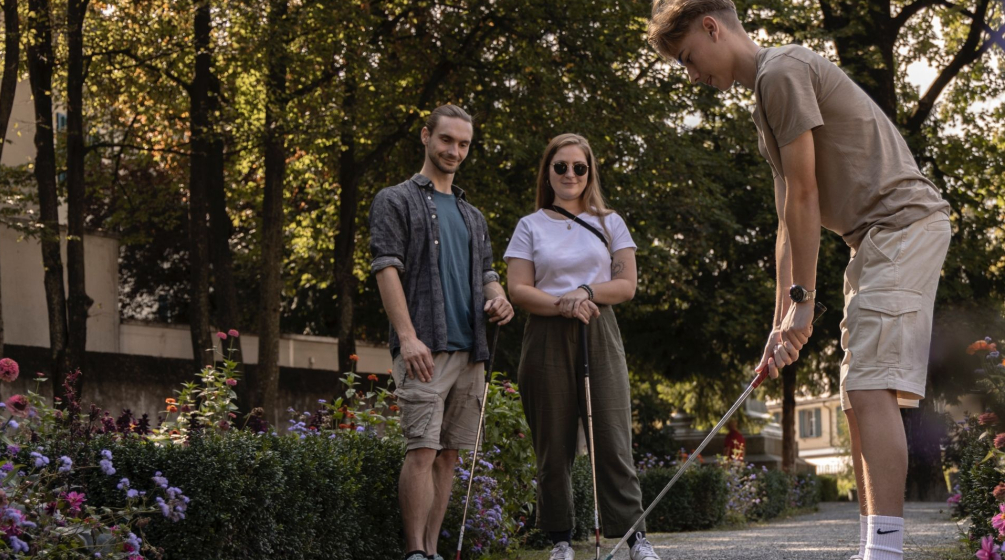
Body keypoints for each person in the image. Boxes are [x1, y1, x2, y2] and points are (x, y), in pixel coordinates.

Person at [645, 2, 951, 559]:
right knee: (856, 396)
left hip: (903, 225)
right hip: (873, 239)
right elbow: (789, 220)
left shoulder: (783, 71)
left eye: (689, 58)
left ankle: (886, 553)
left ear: (712, 27)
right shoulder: (767, 97)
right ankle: (872, 547)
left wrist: (804, 304)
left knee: (869, 386)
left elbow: (808, 195)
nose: (693, 76)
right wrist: (779, 322)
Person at [505, 133, 660, 560]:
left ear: (590, 172)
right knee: (553, 444)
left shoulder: (611, 221)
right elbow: (517, 288)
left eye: (579, 167)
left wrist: (586, 292)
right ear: (548, 172)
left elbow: (626, 285)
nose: (570, 174)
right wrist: (564, 303)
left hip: (599, 328)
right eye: (561, 166)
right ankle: (559, 539)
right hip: (546, 334)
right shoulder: (530, 225)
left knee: (612, 436)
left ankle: (635, 538)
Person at [369, 104, 514, 560]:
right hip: (424, 348)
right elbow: (386, 268)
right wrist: (408, 337)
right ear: (426, 136)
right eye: (447, 140)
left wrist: (499, 295)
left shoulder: (473, 216)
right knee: (422, 451)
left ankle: (433, 551)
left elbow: (487, 272)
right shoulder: (394, 200)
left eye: (463, 144)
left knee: (449, 455)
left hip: (471, 351)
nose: (454, 150)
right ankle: (414, 552)